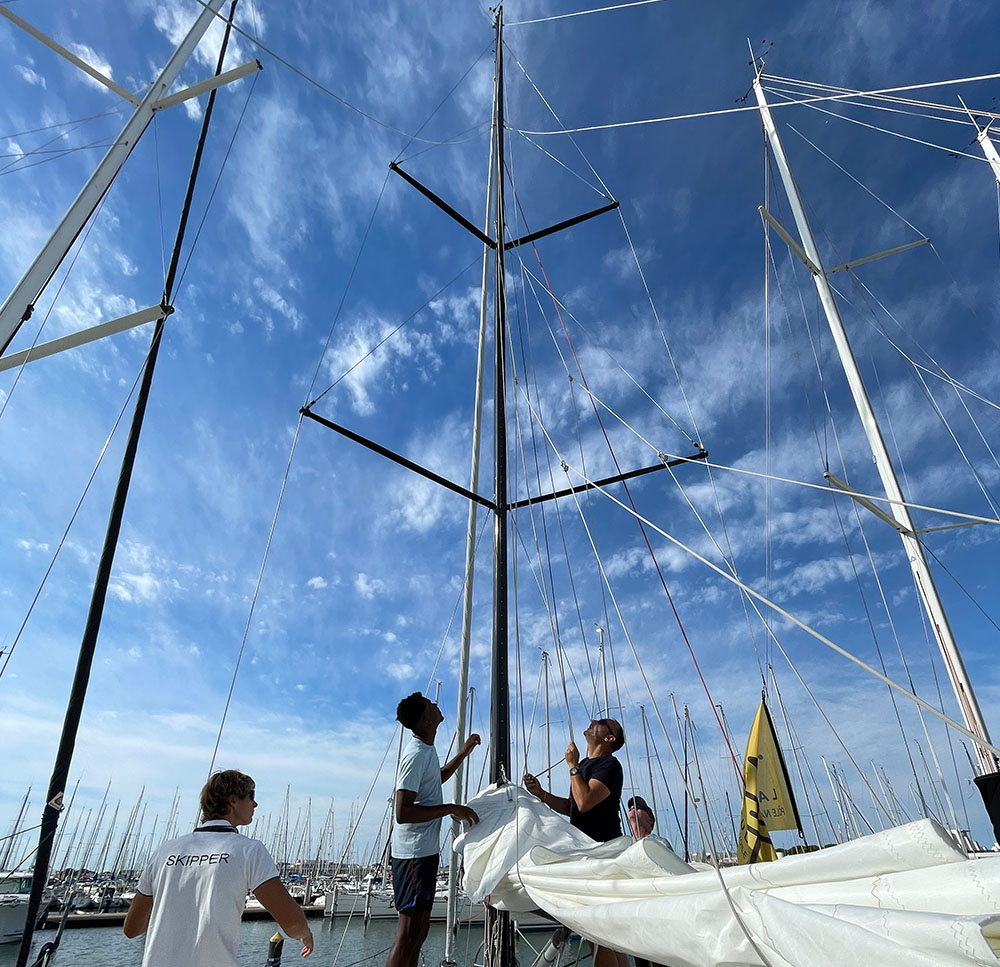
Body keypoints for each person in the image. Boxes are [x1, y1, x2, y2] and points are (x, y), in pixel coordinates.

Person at [123, 770, 313, 965]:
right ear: (232, 800)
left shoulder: (165, 851)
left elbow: (132, 928)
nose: (255, 804)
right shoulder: (248, 850)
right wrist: (304, 933)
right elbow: (292, 922)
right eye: (251, 796)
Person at [523, 718, 627, 967]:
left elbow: (585, 801)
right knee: (603, 933)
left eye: (601, 722)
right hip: (586, 852)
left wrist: (571, 766)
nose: (592, 721)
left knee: (596, 930)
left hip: (601, 853)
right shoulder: (584, 765)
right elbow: (574, 808)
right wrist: (542, 794)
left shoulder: (610, 765)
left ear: (609, 738)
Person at [387, 692, 481, 967]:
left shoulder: (426, 749)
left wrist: (463, 753)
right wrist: (452, 808)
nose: (438, 705)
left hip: (423, 852)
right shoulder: (415, 755)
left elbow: (435, 779)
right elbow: (402, 812)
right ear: (428, 719)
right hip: (413, 854)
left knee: (420, 930)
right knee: (409, 931)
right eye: (432, 705)